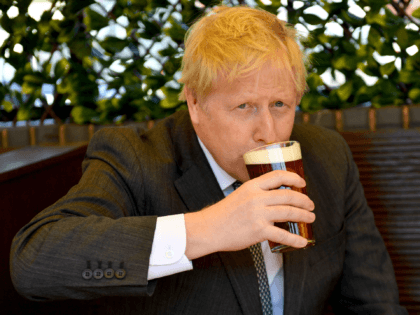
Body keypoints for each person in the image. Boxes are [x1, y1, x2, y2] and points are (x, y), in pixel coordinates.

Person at [10, 5, 407, 315]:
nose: (268, 132)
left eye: (280, 104)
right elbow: (35, 263)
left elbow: (374, 303)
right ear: (195, 103)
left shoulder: (326, 156)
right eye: (244, 106)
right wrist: (207, 228)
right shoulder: (137, 158)